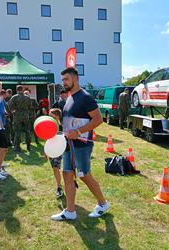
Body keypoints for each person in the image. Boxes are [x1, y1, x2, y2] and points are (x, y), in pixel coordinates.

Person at [51, 67, 109, 221]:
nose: (64, 82)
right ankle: (70, 211)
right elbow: (70, 121)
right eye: (62, 80)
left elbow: (98, 119)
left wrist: (78, 132)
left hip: (82, 144)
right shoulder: (69, 97)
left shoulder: (86, 97)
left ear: (76, 79)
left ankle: (103, 204)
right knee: (67, 174)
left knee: (84, 175)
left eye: (66, 79)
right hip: (68, 143)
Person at [8, 85, 32, 152]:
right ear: (22, 89)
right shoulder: (27, 97)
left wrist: (13, 111)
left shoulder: (14, 97)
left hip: (17, 115)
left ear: (17, 90)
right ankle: (29, 146)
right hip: (25, 115)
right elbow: (30, 106)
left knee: (17, 132)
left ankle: (17, 147)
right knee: (27, 131)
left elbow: (9, 105)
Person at [48, 108, 64, 198]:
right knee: (55, 169)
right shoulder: (49, 125)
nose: (49, 117)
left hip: (59, 149)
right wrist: (45, 151)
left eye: (51, 115)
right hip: (51, 149)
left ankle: (59, 187)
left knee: (57, 167)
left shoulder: (62, 126)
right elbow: (47, 139)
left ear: (57, 116)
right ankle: (59, 186)